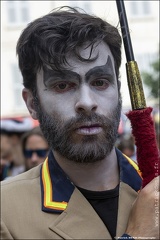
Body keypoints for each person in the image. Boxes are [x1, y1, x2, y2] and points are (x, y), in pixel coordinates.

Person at [1, 7, 159, 240]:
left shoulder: (152, 188)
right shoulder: (6, 212)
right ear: (32, 102)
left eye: (100, 82)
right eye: (63, 85)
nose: (87, 103)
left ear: (119, 90)